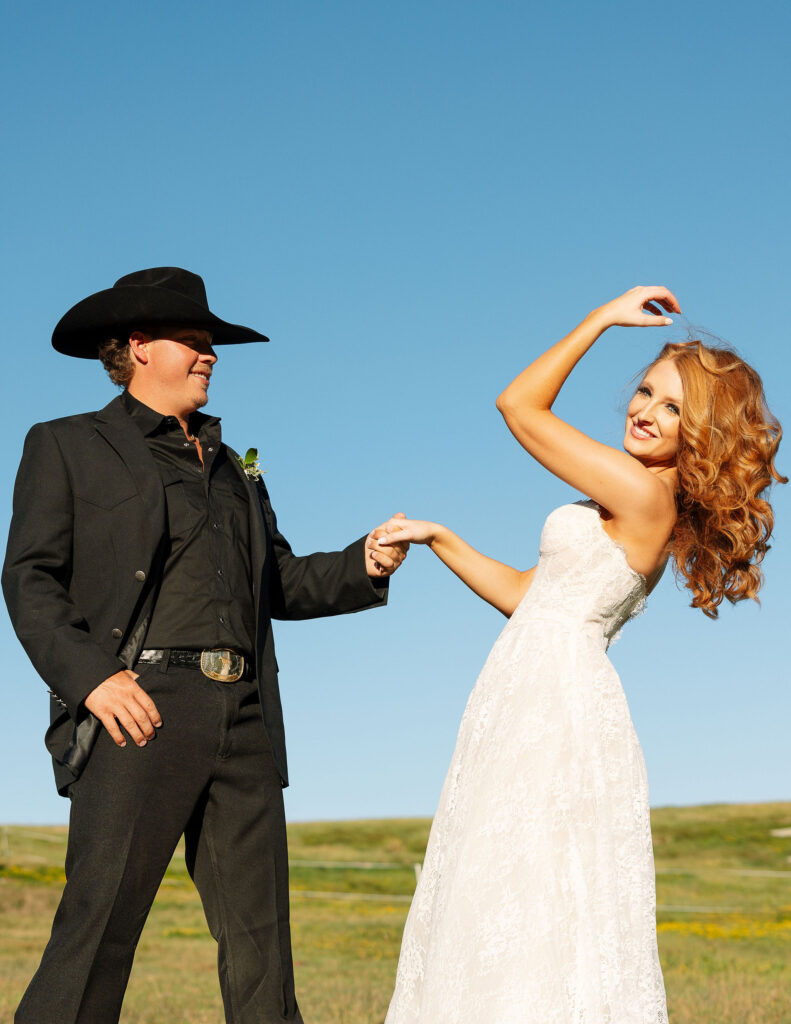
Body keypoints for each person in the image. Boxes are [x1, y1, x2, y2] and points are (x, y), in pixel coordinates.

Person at [2, 266, 408, 1024]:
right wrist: (93, 680)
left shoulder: (236, 470)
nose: (210, 355)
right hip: (140, 709)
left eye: (211, 344)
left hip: (247, 715)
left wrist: (366, 561)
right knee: (98, 931)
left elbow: (278, 583)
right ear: (138, 346)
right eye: (193, 341)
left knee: (262, 947)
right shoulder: (65, 445)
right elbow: (29, 578)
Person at [376, 286, 785, 1023]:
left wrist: (601, 318)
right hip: (530, 685)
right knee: (508, 883)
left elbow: (518, 407)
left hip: (554, 696)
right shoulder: (629, 501)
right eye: (644, 390)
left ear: (701, 434)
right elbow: (525, 594)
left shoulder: (640, 495)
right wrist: (441, 539)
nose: (645, 412)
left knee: (528, 884)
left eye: (672, 409)